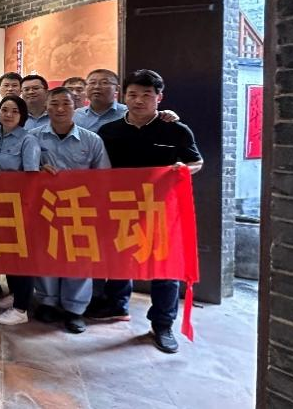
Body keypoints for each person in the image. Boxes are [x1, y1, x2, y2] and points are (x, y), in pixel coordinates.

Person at [93, 70, 203, 353]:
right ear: (124, 97)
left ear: (159, 97)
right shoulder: (109, 131)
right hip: (120, 207)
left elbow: (196, 162)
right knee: (119, 257)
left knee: (164, 267)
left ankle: (163, 323)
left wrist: (183, 169)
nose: (139, 100)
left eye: (146, 95)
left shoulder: (176, 130)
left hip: (161, 210)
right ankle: (116, 304)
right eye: (133, 95)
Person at [30, 86, 111, 334]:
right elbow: (24, 172)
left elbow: (104, 177)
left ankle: (75, 309)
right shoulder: (33, 137)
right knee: (46, 255)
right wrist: (38, 170)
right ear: (46, 107)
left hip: (79, 208)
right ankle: (47, 301)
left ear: (76, 106)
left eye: (66, 103)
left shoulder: (91, 140)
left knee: (79, 259)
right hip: (45, 208)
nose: (60, 109)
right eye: (54, 104)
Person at [0, 95, 41, 325]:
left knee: (21, 256)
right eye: (4, 110)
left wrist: (25, 209)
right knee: (8, 253)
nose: (8, 115)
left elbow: (31, 178)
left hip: (20, 206)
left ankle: (21, 308)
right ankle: (15, 294)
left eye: (14, 111)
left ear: (22, 115)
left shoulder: (28, 140)